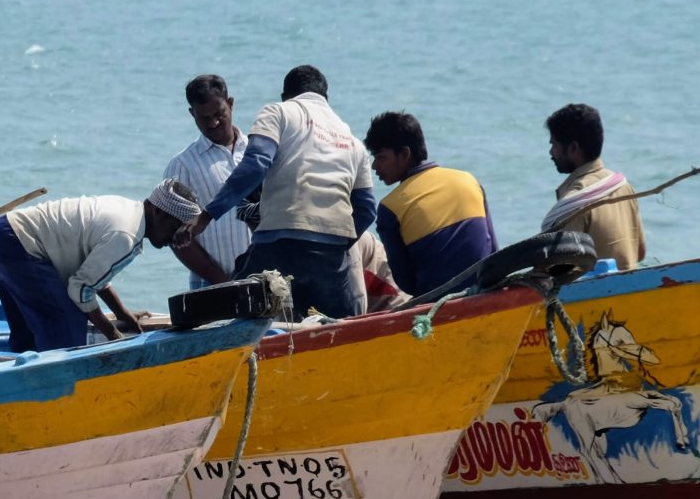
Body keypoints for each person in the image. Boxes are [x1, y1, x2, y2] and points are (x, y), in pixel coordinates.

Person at [175, 65, 376, 319]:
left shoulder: (278, 112)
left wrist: (205, 216)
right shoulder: (352, 140)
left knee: (234, 310)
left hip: (280, 242)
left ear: (285, 96)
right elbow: (367, 209)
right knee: (335, 323)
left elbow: (257, 163)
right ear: (325, 98)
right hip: (332, 249)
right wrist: (335, 244)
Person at [0, 182, 198, 350]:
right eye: (178, 227)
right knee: (68, 321)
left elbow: (93, 275)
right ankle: (57, 395)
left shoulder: (127, 210)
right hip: (16, 244)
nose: (178, 237)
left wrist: (121, 312)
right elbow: (80, 289)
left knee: (26, 331)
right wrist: (114, 337)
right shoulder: (125, 236)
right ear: (158, 211)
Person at [364, 111, 498, 296]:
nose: (374, 166)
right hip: (485, 292)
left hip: (437, 305)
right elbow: (493, 251)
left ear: (404, 154)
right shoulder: (469, 180)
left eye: (380, 157)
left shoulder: (390, 207)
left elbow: (406, 281)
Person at [160, 75, 249, 287]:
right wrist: (224, 283)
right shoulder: (182, 166)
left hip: (270, 285)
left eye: (219, 114)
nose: (213, 123)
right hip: (213, 290)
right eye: (204, 118)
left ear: (230, 104)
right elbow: (177, 238)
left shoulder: (258, 153)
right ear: (192, 114)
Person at [541, 103, 645, 269]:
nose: (551, 152)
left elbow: (560, 269)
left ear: (573, 148)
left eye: (554, 145)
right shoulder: (623, 186)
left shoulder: (575, 201)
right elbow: (639, 253)